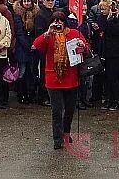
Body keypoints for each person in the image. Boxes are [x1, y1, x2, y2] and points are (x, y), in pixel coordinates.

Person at [32, 10, 89, 150]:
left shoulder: (74, 33)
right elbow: (35, 45)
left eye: (60, 22)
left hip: (71, 77)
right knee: (56, 110)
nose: (58, 25)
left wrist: (83, 46)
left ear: (64, 23)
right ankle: (57, 138)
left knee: (69, 110)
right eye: (55, 21)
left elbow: (87, 49)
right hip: (53, 78)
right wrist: (47, 33)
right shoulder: (49, 35)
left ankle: (66, 132)